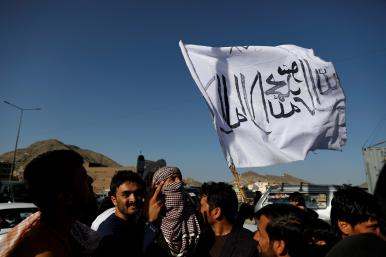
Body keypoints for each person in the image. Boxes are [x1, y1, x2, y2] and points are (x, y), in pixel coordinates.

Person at [7, 150, 97, 257]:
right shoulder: (46, 250)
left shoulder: (64, 233)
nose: (90, 182)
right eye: (83, 178)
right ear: (66, 197)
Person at [96, 170, 163, 257]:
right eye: (126, 194)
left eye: (137, 193)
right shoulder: (109, 232)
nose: (133, 199)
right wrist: (150, 221)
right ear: (114, 200)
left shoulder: (135, 220)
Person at [146, 166, 201, 257]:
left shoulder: (193, 218)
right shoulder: (150, 224)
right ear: (159, 187)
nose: (179, 182)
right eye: (172, 179)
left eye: (180, 178)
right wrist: (149, 221)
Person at [196, 182, 257, 257]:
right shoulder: (202, 238)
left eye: (201, 206)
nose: (198, 209)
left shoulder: (247, 244)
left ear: (216, 212)